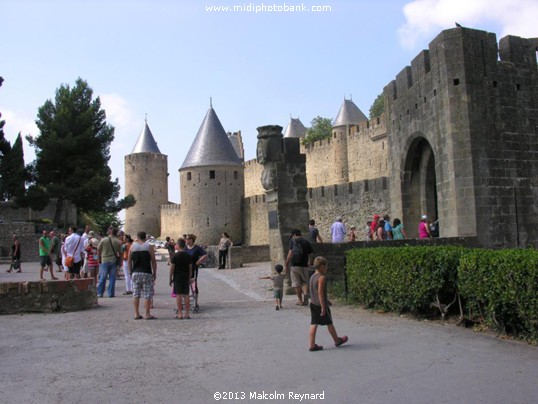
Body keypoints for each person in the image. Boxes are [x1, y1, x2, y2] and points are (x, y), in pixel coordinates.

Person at [308, 256, 348, 352]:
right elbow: (320, 293)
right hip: (320, 304)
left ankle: (312, 344)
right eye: (326, 267)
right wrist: (323, 305)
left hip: (313, 303)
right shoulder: (321, 278)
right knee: (329, 323)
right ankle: (337, 340)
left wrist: (327, 300)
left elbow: (314, 291)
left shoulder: (312, 276)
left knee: (314, 323)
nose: (327, 268)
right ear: (322, 267)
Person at [128, 231, 157, 320]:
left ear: (137, 237)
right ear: (145, 238)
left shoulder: (132, 247)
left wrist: (130, 272)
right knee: (147, 294)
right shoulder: (149, 247)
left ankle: (136, 313)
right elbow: (153, 261)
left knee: (136, 294)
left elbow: (129, 261)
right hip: (146, 272)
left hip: (135, 272)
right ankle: (147, 314)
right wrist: (154, 272)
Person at [285, 229, 313, 306]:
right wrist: (309, 263)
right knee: (304, 282)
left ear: (294, 235)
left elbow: (290, 254)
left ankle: (300, 301)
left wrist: (286, 263)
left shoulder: (293, 241)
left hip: (294, 265)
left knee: (296, 283)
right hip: (304, 265)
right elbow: (311, 254)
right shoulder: (306, 242)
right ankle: (305, 294)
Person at [169, 238, 193, 319]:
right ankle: (187, 313)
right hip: (186, 277)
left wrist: (170, 279)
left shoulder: (174, 256)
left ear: (178, 246)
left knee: (178, 295)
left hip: (177, 277)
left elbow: (172, 269)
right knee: (186, 295)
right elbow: (190, 268)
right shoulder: (188, 256)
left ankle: (180, 313)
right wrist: (189, 278)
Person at [97, 227, 122, 298]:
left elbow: (98, 249)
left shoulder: (103, 240)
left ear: (110, 232)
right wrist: (120, 262)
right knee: (112, 278)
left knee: (103, 277)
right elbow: (120, 253)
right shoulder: (118, 241)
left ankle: (100, 293)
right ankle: (111, 293)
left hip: (104, 260)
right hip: (113, 260)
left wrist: (99, 259)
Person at [184, 234, 207, 311]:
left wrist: (198, 261)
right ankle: (186, 301)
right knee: (185, 284)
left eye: (187, 239)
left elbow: (205, 254)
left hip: (193, 268)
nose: (186, 240)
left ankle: (195, 302)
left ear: (191, 240)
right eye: (186, 239)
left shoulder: (197, 248)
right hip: (185, 268)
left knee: (194, 284)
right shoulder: (185, 248)